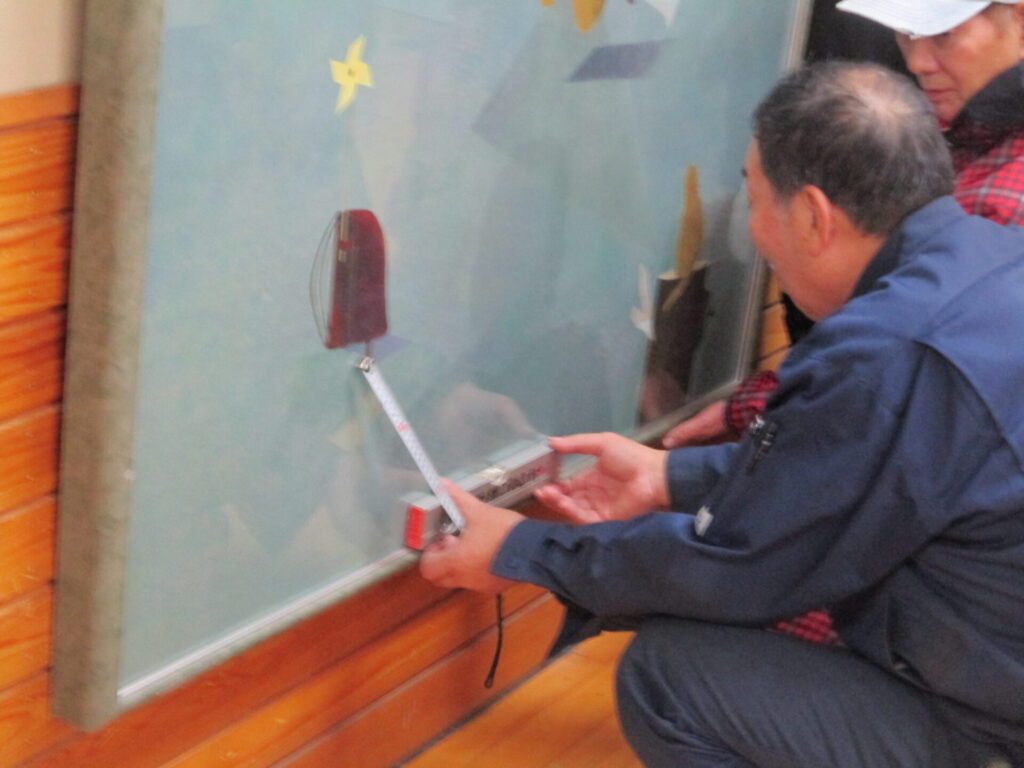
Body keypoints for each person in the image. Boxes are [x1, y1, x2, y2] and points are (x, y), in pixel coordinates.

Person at [420, 62, 1024, 766]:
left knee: (669, 679)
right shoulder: (994, 262)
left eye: (755, 199)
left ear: (814, 217)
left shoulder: (886, 353)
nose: (750, 229)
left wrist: (519, 549)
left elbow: (742, 567)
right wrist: (670, 477)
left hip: (994, 722)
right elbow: (851, 472)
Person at [662, 0, 1024, 450]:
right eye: (906, 33)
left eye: (944, 35)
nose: (917, 61)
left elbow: (892, 398)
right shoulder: (966, 134)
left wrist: (707, 461)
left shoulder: (998, 204)